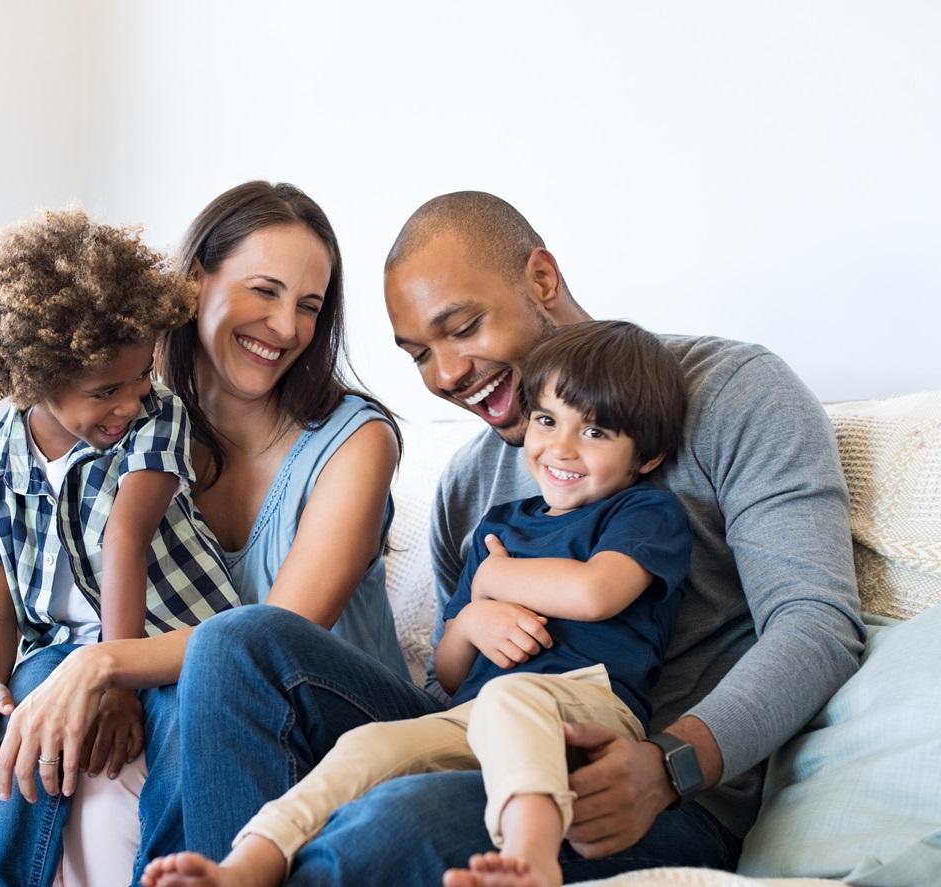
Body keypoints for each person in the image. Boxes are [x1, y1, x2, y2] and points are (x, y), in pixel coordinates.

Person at [155, 190, 866, 885]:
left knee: (390, 823)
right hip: (488, 738)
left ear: (542, 280)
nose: (448, 374)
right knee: (235, 641)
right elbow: (454, 682)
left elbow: (816, 623)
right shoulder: (470, 485)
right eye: (419, 355)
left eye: (462, 328)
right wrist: (471, 621)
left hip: (645, 787)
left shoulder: (733, 392)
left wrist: (670, 764)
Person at [0, 181, 407, 886]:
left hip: (332, 711)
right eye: (264, 291)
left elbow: (274, 638)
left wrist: (103, 664)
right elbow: (41, 591)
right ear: (195, 279)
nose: (288, 327)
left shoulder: (354, 442)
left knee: (214, 670)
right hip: (195, 685)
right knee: (44, 692)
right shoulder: (127, 421)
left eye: (309, 305)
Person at [141, 320, 692, 887]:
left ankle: (532, 860)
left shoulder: (642, 513)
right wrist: (474, 614)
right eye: (547, 420)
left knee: (510, 696)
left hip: (588, 709)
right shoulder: (500, 527)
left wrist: (496, 579)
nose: (561, 448)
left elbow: (595, 592)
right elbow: (450, 673)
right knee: (368, 745)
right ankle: (247, 864)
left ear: (646, 457)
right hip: (471, 716)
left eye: (596, 433)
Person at [0, 209, 241, 887]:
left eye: (141, 375)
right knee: (26, 716)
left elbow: (125, 538)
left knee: (182, 724)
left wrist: (115, 674)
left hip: (177, 635)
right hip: (58, 649)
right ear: (33, 378)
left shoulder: (155, 415)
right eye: (105, 390)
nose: (129, 401)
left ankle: (170, 875)